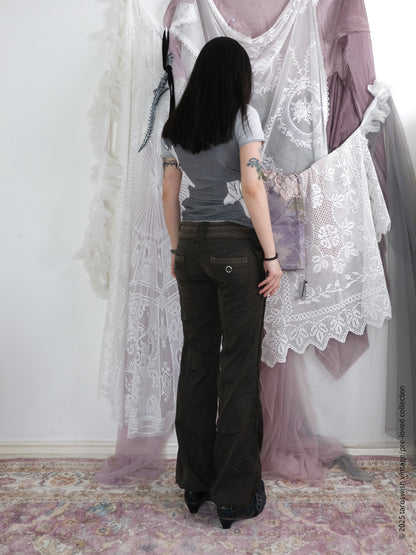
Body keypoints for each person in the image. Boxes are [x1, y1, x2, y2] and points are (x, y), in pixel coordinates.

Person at [161, 36, 282, 529]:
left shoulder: (176, 123)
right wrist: (270, 257)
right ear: (238, 77)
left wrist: (177, 249)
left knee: (198, 361)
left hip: (191, 245)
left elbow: (169, 191)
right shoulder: (243, 116)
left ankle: (195, 484)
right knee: (238, 366)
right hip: (234, 250)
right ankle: (234, 495)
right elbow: (252, 186)